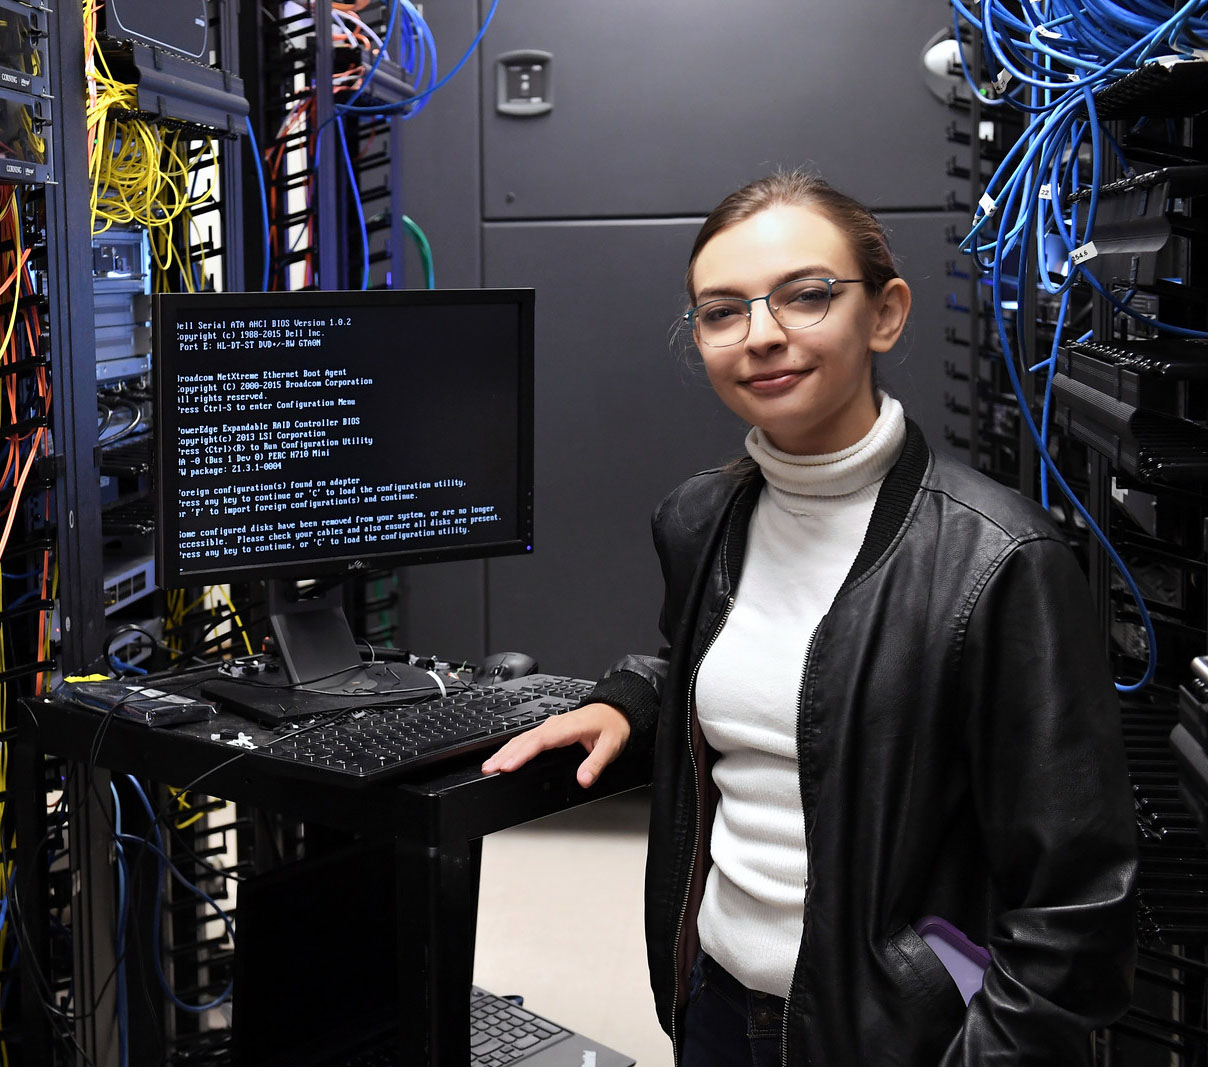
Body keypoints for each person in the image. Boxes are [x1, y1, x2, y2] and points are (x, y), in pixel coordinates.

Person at [481, 171, 1138, 1066]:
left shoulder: (998, 561)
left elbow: (1078, 901)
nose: (763, 336)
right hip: (712, 1000)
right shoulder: (699, 518)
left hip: (892, 1034)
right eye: (723, 311)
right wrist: (633, 701)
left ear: (886, 314)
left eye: (808, 295)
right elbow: (739, 670)